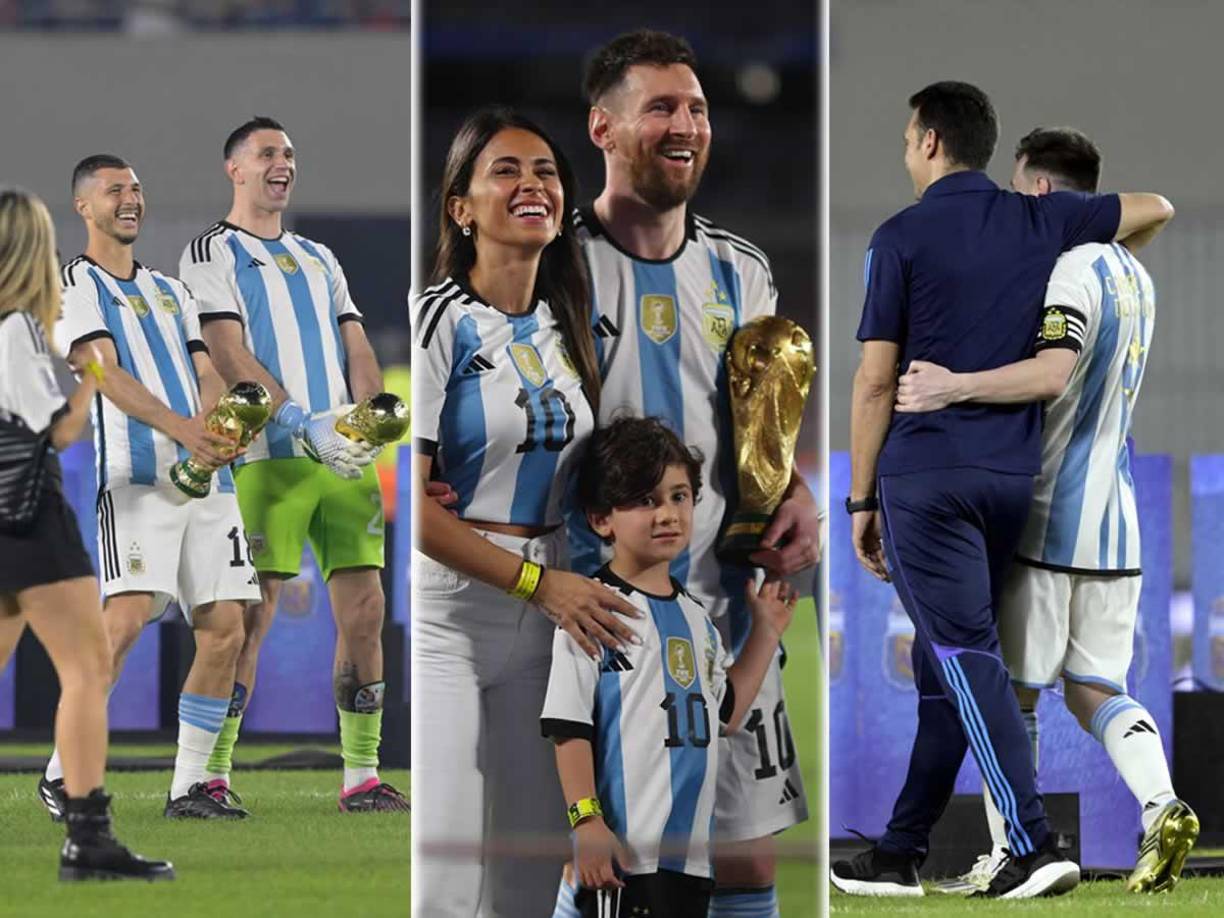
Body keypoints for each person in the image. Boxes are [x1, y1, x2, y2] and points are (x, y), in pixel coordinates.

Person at [836, 81, 1174, 898]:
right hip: (1012, 485)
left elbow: (875, 382)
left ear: (928, 141)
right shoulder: (1041, 221)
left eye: (907, 138)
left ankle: (1029, 844)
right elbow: (1154, 207)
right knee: (942, 665)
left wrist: (861, 500)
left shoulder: (898, 237)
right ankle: (900, 850)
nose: (905, 150)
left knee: (967, 659)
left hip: (928, 479)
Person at [548, 30, 821, 918]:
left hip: (726, 604)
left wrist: (797, 493)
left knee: (743, 862)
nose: (686, 125)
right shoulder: (555, 265)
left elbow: (760, 428)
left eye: (697, 109)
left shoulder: (741, 270)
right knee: (603, 857)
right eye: (661, 106)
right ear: (603, 126)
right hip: (600, 612)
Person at [411, 107, 641, 918]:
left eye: (545, 170)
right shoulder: (437, 318)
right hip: (455, 613)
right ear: (461, 208)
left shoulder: (571, 322)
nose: (531, 183)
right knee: (443, 872)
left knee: (526, 877)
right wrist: (541, 586)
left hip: (555, 612)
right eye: (504, 170)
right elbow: (416, 514)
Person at [178, 116, 402, 812]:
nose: (284, 163)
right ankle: (212, 774)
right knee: (252, 616)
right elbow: (227, 352)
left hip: (341, 462)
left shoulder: (318, 256)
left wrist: (367, 422)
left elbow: (355, 344)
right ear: (235, 169)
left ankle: (361, 777)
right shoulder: (211, 251)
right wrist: (302, 422)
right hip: (268, 458)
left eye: (290, 154)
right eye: (268, 153)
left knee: (366, 609)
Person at [37, 154, 258, 822]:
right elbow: (103, 372)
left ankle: (190, 787)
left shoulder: (170, 290)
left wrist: (218, 428)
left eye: (135, 189)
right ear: (84, 207)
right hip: (137, 479)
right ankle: (61, 773)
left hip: (207, 479)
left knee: (225, 628)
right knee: (127, 619)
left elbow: (205, 370)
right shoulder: (71, 286)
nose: (130, 199)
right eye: (115, 191)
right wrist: (182, 430)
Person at [542, 416, 798, 918]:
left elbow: (724, 713)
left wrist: (766, 633)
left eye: (679, 496)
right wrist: (586, 822)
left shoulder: (697, 620)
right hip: (625, 857)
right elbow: (569, 728)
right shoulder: (591, 610)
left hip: (691, 863)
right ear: (601, 519)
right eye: (645, 500)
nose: (667, 514)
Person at [0, 186, 172, 880]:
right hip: (26, 516)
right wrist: (94, 378)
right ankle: (87, 836)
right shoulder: (14, 327)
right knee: (88, 669)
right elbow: (60, 431)